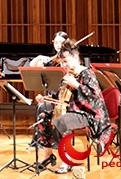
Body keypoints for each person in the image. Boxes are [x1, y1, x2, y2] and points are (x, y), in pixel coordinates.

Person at [32, 41, 113, 174]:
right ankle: (48, 155)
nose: (63, 65)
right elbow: (59, 97)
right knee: (43, 117)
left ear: (75, 58)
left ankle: (67, 159)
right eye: (61, 62)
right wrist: (45, 98)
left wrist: (76, 85)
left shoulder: (87, 73)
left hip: (87, 114)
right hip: (69, 111)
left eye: (66, 61)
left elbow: (94, 98)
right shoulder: (67, 75)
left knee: (63, 120)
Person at [27, 31, 68, 147]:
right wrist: (40, 57)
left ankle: (53, 141)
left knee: (44, 106)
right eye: (56, 42)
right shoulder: (51, 61)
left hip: (65, 98)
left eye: (61, 42)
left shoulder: (68, 60)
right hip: (52, 97)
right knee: (41, 105)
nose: (58, 45)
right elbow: (32, 65)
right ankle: (41, 140)